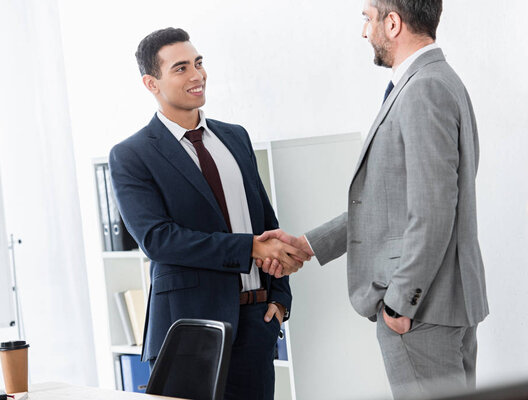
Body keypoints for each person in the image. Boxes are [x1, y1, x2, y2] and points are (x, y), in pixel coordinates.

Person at [257, 0, 488, 398]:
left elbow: (431, 211)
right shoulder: (437, 80)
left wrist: (400, 304)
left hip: (422, 312)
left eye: (368, 19)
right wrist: (309, 245)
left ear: (393, 23)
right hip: (443, 306)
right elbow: (388, 200)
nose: (365, 31)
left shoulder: (424, 89)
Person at [109, 27, 308, 399]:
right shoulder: (132, 155)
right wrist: (249, 248)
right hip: (187, 332)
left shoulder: (235, 137)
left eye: (199, 63)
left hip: (255, 322)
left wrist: (279, 299)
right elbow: (158, 240)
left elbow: (267, 223)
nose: (197, 76)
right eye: (181, 68)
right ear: (151, 83)